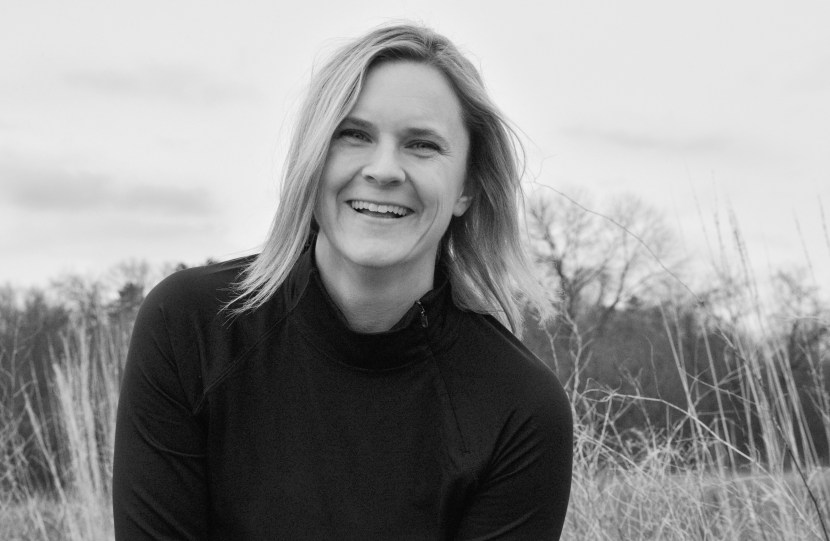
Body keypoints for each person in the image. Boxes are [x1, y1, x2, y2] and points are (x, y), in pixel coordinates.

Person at [113, 23, 573, 540]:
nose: (384, 170)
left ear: (467, 187)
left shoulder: (519, 408)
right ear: (312, 159)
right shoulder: (190, 327)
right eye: (353, 135)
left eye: (422, 144)